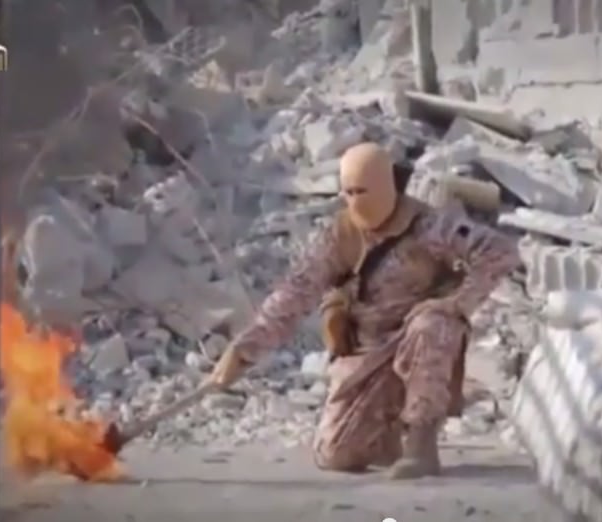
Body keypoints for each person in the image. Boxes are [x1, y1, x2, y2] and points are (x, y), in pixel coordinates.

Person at [207, 142, 519, 479]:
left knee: (432, 325)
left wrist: (457, 303)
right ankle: (385, 435)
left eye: (364, 191)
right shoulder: (339, 236)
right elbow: (295, 294)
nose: (356, 201)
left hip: (420, 337)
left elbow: (500, 252)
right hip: (369, 347)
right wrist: (243, 351)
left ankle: (422, 445)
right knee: (335, 454)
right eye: (349, 192)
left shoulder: (430, 226)